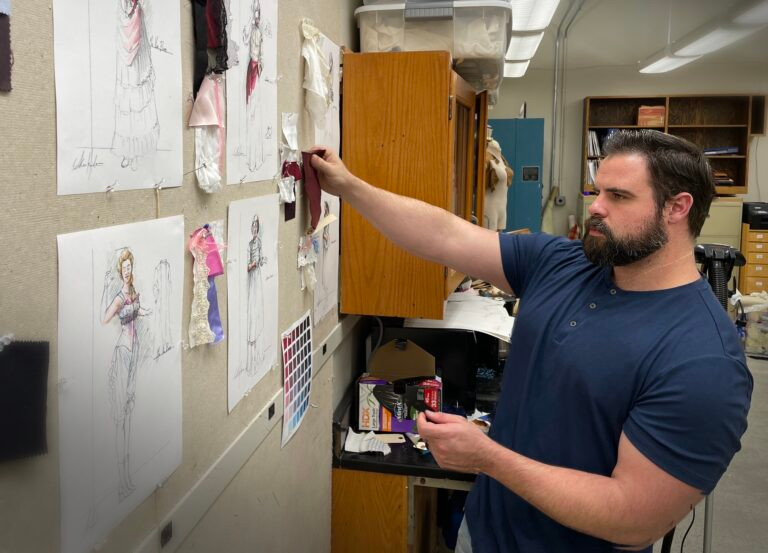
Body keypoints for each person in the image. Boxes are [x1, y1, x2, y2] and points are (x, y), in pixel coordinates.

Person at [310, 129, 752, 552]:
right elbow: (444, 236)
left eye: (618, 197)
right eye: (598, 191)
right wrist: (348, 186)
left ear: (677, 208)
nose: (596, 207)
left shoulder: (703, 359)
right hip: (481, 533)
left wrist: (487, 458)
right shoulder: (565, 263)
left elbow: (634, 519)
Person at [102, 248, 150, 501]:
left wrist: (142, 310)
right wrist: (128, 309)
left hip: (134, 352)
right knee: (121, 419)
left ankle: (127, 479)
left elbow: (136, 311)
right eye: (125, 268)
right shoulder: (121, 296)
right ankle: (121, 482)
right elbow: (105, 318)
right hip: (122, 353)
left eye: (130, 267)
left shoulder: (132, 292)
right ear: (120, 272)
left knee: (129, 416)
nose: (128, 271)